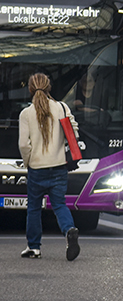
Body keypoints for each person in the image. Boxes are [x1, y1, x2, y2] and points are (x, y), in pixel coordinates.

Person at [18, 73, 81, 261]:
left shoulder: (26, 114)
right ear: (49, 88)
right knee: (60, 204)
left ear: (30, 89)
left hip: (37, 169)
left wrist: (28, 162)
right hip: (59, 167)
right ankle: (69, 230)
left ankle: (34, 247)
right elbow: (74, 132)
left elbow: (23, 145)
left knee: (34, 208)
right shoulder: (62, 108)